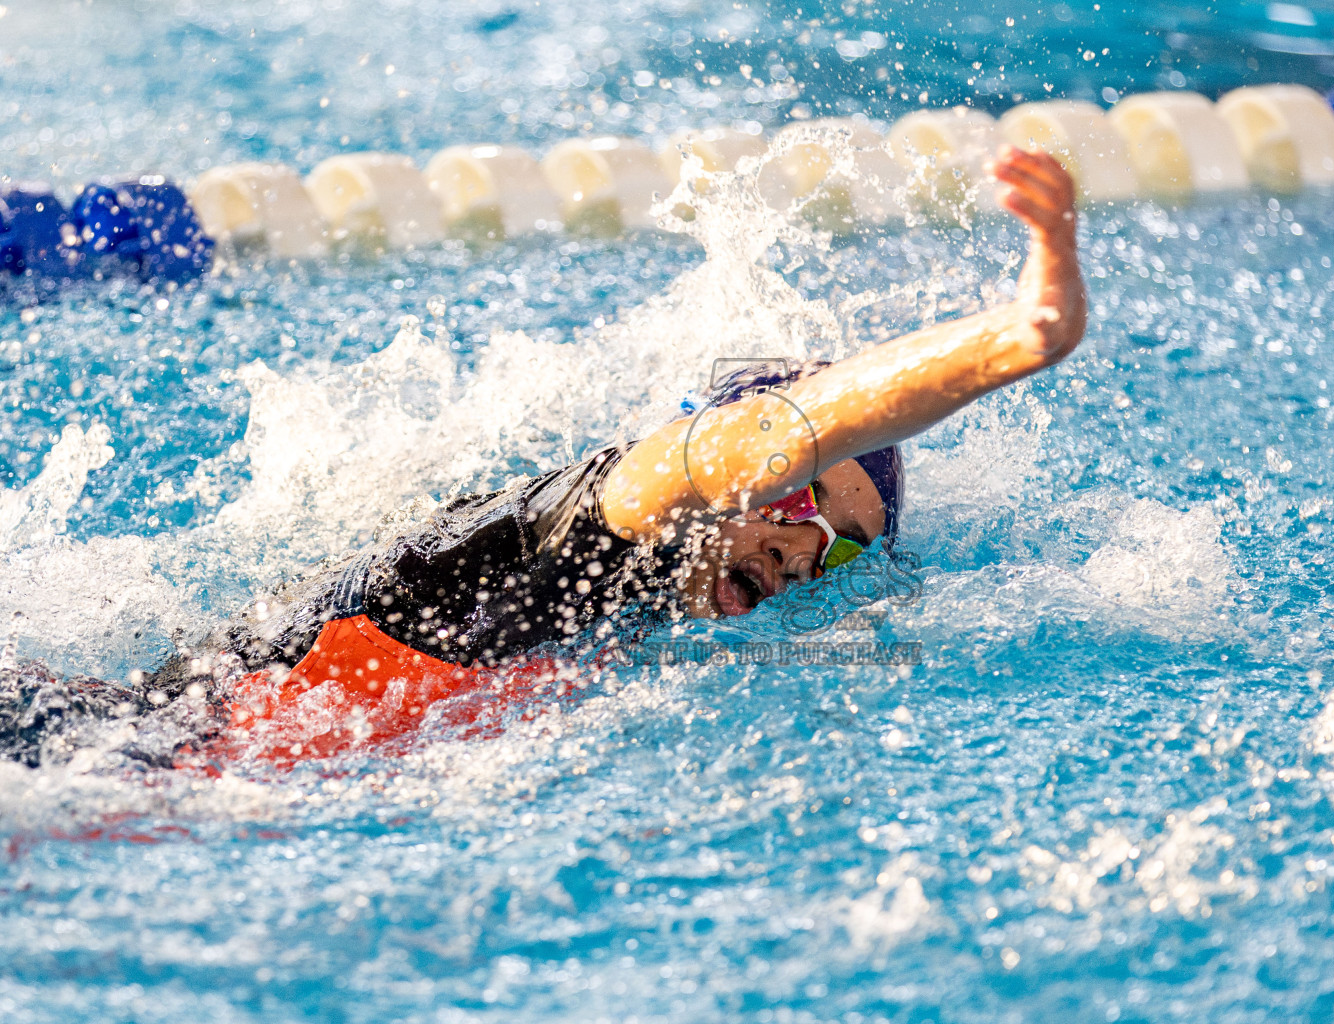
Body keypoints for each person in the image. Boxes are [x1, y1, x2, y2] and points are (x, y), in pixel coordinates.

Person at [6, 147, 1087, 766]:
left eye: (842, 550)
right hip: (111, 754)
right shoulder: (591, 517)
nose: (806, 553)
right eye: (800, 499)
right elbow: (773, 433)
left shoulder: (626, 631)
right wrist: (1019, 338)